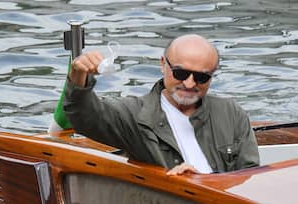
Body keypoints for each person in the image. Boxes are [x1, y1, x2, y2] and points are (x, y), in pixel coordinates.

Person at [63, 34, 260, 175]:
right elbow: (84, 117)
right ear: (163, 65)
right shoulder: (135, 115)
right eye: (180, 74)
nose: (190, 83)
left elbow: (251, 176)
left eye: (201, 77)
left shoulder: (231, 113)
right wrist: (79, 73)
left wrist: (204, 179)